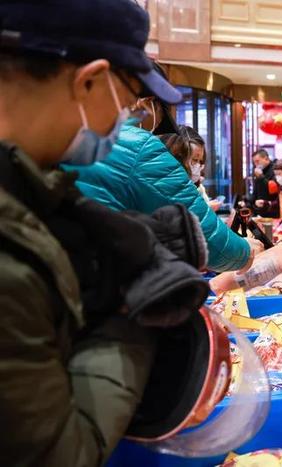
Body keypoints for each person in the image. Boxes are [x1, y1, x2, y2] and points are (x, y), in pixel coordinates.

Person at [0, 0, 210, 464]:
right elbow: (62, 454)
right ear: (88, 80)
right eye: (130, 100)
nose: (127, 119)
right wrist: (136, 310)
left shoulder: (31, 191)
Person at [64, 63, 253, 272]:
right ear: (146, 103)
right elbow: (205, 236)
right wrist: (247, 252)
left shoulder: (67, 135)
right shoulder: (138, 145)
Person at [160, 125, 222, 210]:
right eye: (195, 160)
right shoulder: (165, 189)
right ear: (178, 158)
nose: (199, 166)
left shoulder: (193, 186)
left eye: (200, 161)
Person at [252, 148, 278, 216]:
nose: (256, 164)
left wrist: (261, 177)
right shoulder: (260, 170)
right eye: (254, 162)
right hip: (259, 209)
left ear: (266, 159)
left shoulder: (275, 169)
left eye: (257, 161)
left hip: (272, 210)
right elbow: (255, 192)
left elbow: (273, 190)